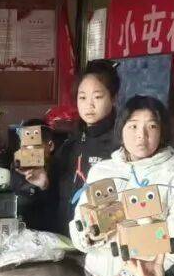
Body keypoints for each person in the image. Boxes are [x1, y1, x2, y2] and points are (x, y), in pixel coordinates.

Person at [70, 95, 174, 276]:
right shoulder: (102, 171)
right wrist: (88, 237)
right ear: (121, 130)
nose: (141, 135)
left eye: (152, 126)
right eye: (133, 126)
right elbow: (78, 224)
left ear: (162, 132)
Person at [15, 60, 121, 235]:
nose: (89, 105)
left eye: (97, 97)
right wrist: (44, 185)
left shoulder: (120, 145)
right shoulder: (71, 144)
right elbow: (54, 200)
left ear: (114, 98)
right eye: (82, 97)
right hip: (65, 239)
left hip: (99, 239)